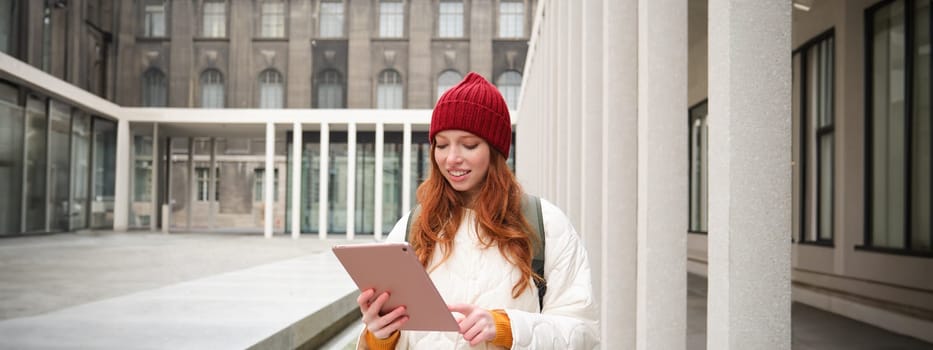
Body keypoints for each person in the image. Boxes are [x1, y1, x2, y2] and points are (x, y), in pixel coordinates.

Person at [356, 72, 599, 349]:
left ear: (495, 151)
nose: (452, 158)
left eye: (469, 145)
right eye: (442, 145)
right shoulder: (412, 227)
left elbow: (583, 334)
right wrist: (380, 335)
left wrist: (507, 327)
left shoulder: (545, 224)